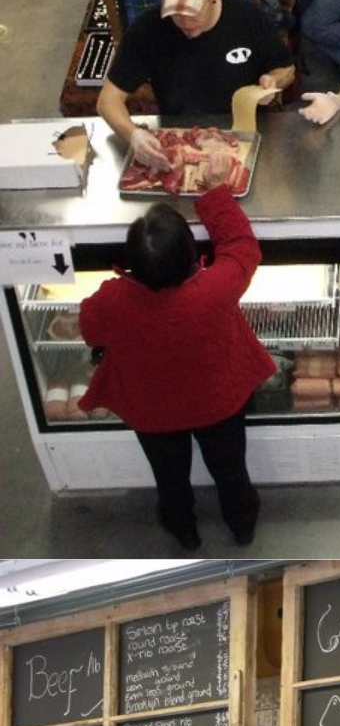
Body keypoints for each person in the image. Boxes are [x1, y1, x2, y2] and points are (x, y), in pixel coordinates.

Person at [77, 153, 275, 549]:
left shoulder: (113, 300)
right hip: (220, 403)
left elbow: (90, 329)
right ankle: (242, 523)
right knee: (230, 470)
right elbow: (241, 246)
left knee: (169, 477)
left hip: (152, 412)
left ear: (131, 264)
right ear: (190, 255)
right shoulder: (214, 290)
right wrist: (215, 191)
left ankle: (183, 529)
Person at [97, 0, 295, 171]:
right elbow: (107, 101)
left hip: (244, 133)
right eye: (176, 13)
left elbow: (286, 69)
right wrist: (133, 134)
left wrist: (273, 80)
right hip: (181, 138)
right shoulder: (147, 28)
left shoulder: (247, 17)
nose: (185, 22)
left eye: (193, 11)